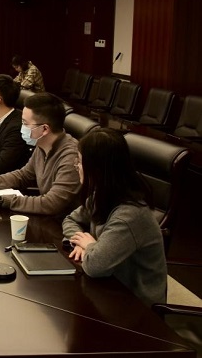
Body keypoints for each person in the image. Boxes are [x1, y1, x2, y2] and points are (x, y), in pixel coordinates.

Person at [63, 128, 166, 306]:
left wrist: (91, 247)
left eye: (79, 161)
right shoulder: (102, 195)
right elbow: (71, 220)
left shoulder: (129, 215)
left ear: (97, 168)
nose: (76, 166)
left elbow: (95, 266)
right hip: (108, 287)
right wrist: (81, 242)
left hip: (136, 305)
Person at [0, 92, 81, 215]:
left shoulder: (71, 156)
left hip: (62, 221)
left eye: (25, 123)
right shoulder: (42, 144)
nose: (21, 127)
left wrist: (1, 200)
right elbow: (24, 175)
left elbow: (52, 203)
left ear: (45, 129)